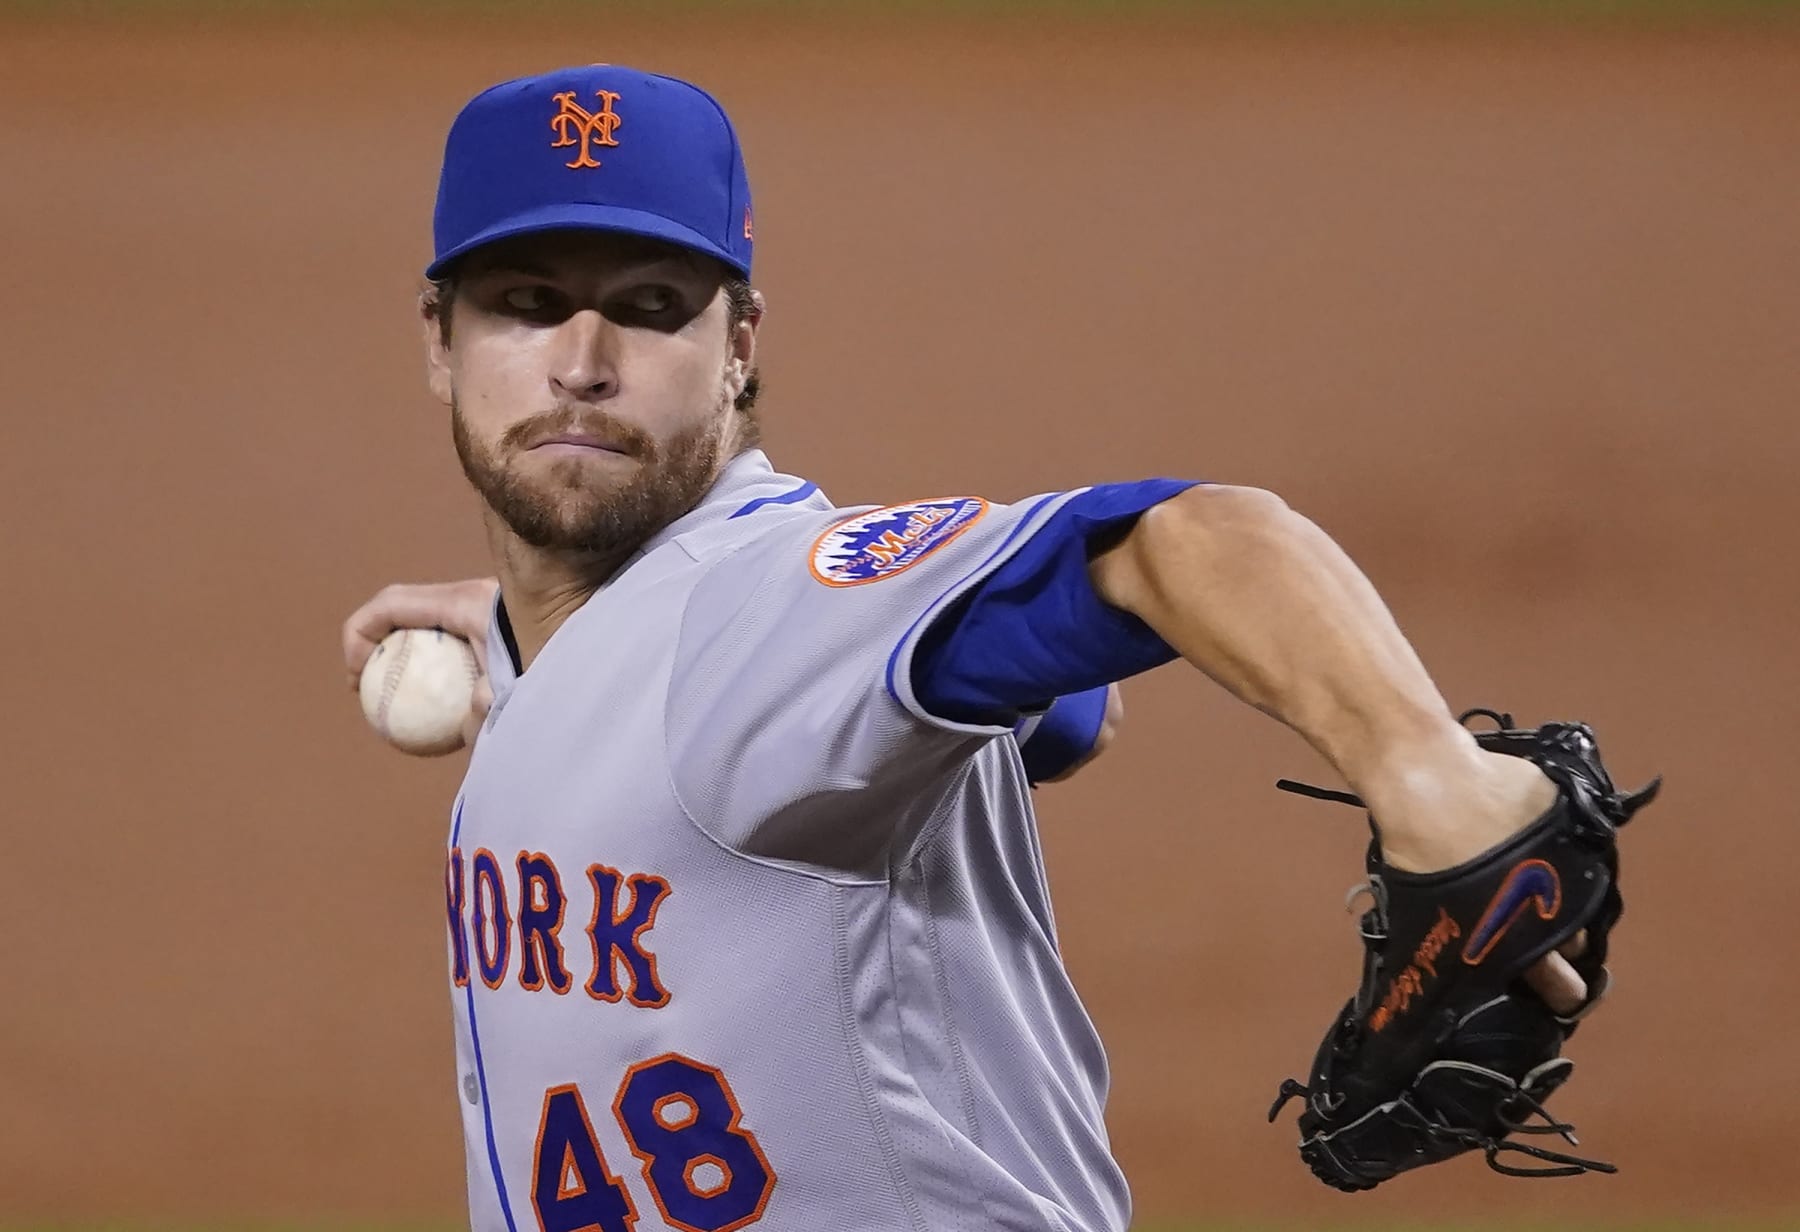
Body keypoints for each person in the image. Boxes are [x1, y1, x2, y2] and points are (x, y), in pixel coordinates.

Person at [342, 64, 1598, 1232]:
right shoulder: (699, 648)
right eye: (524, 307)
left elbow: (1190, 538)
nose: (582, 363)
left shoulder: (761, 620)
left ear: (738, 347)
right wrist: (564, 661)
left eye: (651, 308)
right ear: (439, 342)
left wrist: (1435, 781)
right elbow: (1067, 711)